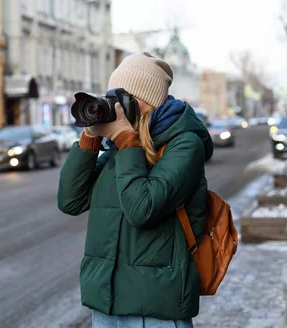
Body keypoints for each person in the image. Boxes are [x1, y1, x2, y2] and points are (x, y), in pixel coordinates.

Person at [58, 52, 213, 328]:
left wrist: (125, 139)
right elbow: (70, 201)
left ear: (148, 103)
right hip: (106, 306)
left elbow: (141, 209)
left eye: (124, 97)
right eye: (112, 95)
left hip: (155, 311)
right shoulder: (119, 150)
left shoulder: (185, 145)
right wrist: (90, 138)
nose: (115, 104)